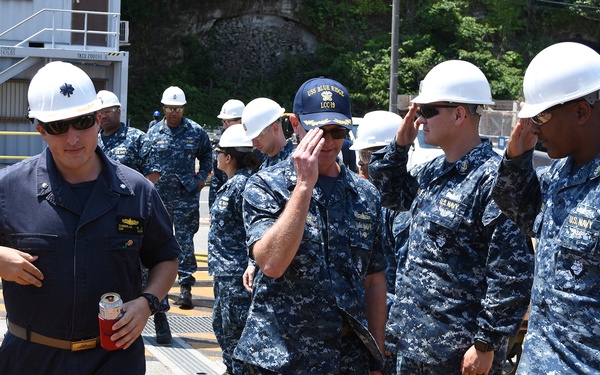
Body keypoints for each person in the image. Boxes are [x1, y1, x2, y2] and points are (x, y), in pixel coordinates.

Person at [0, 61, 179, 374]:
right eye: (57, 126)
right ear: (40, 129)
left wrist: (147, 302)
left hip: (113, 360)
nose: (72, 138)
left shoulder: (136, 191)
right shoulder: (9, 189)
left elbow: (166, 257)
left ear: (99, 120)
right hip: (31, 360)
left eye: (81, 122)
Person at [369, 60, 534, 375]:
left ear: (459, 114)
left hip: (458, 356)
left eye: (428, 110)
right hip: (413, 347)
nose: (419, 118)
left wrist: (485, 344)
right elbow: (388, 194)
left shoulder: (496, 181)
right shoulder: (432, 172)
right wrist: (400, 144)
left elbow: (511, 274)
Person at [234, 77, 387, 374]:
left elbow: (374, 279)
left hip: (346, 359)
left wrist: (376, 357)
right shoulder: (266, 186)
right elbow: (271, 264)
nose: (328, 142)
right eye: (318, 131)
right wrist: (304, 185)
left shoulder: (365, 194)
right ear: (295, 124)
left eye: (337, 131)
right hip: (280, 358)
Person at [491, 41, 600, 374]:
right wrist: (515, 161)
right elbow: (518, 209)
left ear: (581, 112)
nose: (533, 128)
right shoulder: (559, 174)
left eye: (541, 116)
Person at [96, 89, 173, 345]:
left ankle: (160, 319)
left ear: (119, 111)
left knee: (147, 269)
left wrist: (133, 203)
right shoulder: (94, 140)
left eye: (108, 111)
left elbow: (152, 175)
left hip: (132, 216)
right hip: (101, 218)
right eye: (99, 112)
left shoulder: (136, 138)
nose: (103, 116)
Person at [142, 86, 213, 309]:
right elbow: (144, 160)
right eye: (171, 108)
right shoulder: (153, 133)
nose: (174, 112)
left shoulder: (195, 131)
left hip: (186, 196)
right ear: (163, 108)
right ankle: (156, 290)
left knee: (184, 242)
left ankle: (185, 288)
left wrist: (201, 178)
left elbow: (207, 154)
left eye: (178, 108)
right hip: (159, 197)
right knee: (155, 241)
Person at [208, 124, 259, 375]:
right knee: (223, 326)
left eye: (219, 152)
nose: (215, 156)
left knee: (235, 332)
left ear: (228, 158)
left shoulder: (242, 185)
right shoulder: (232, 183)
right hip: (226, 272)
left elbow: (254, 230)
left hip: (236, 274)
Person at [239, 97, 295, 292]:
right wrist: (252, 262)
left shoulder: (298, 164)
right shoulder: (265, 166)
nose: (254, 143)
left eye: (258, 136)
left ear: (275, 128)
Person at [209, 99, 246, 208]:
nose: (224, 127)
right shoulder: (222, 145)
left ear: (242, 120)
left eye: (228, 122)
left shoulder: (255, 145)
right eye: (223, 121)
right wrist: (213, 208)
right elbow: (216, 180)